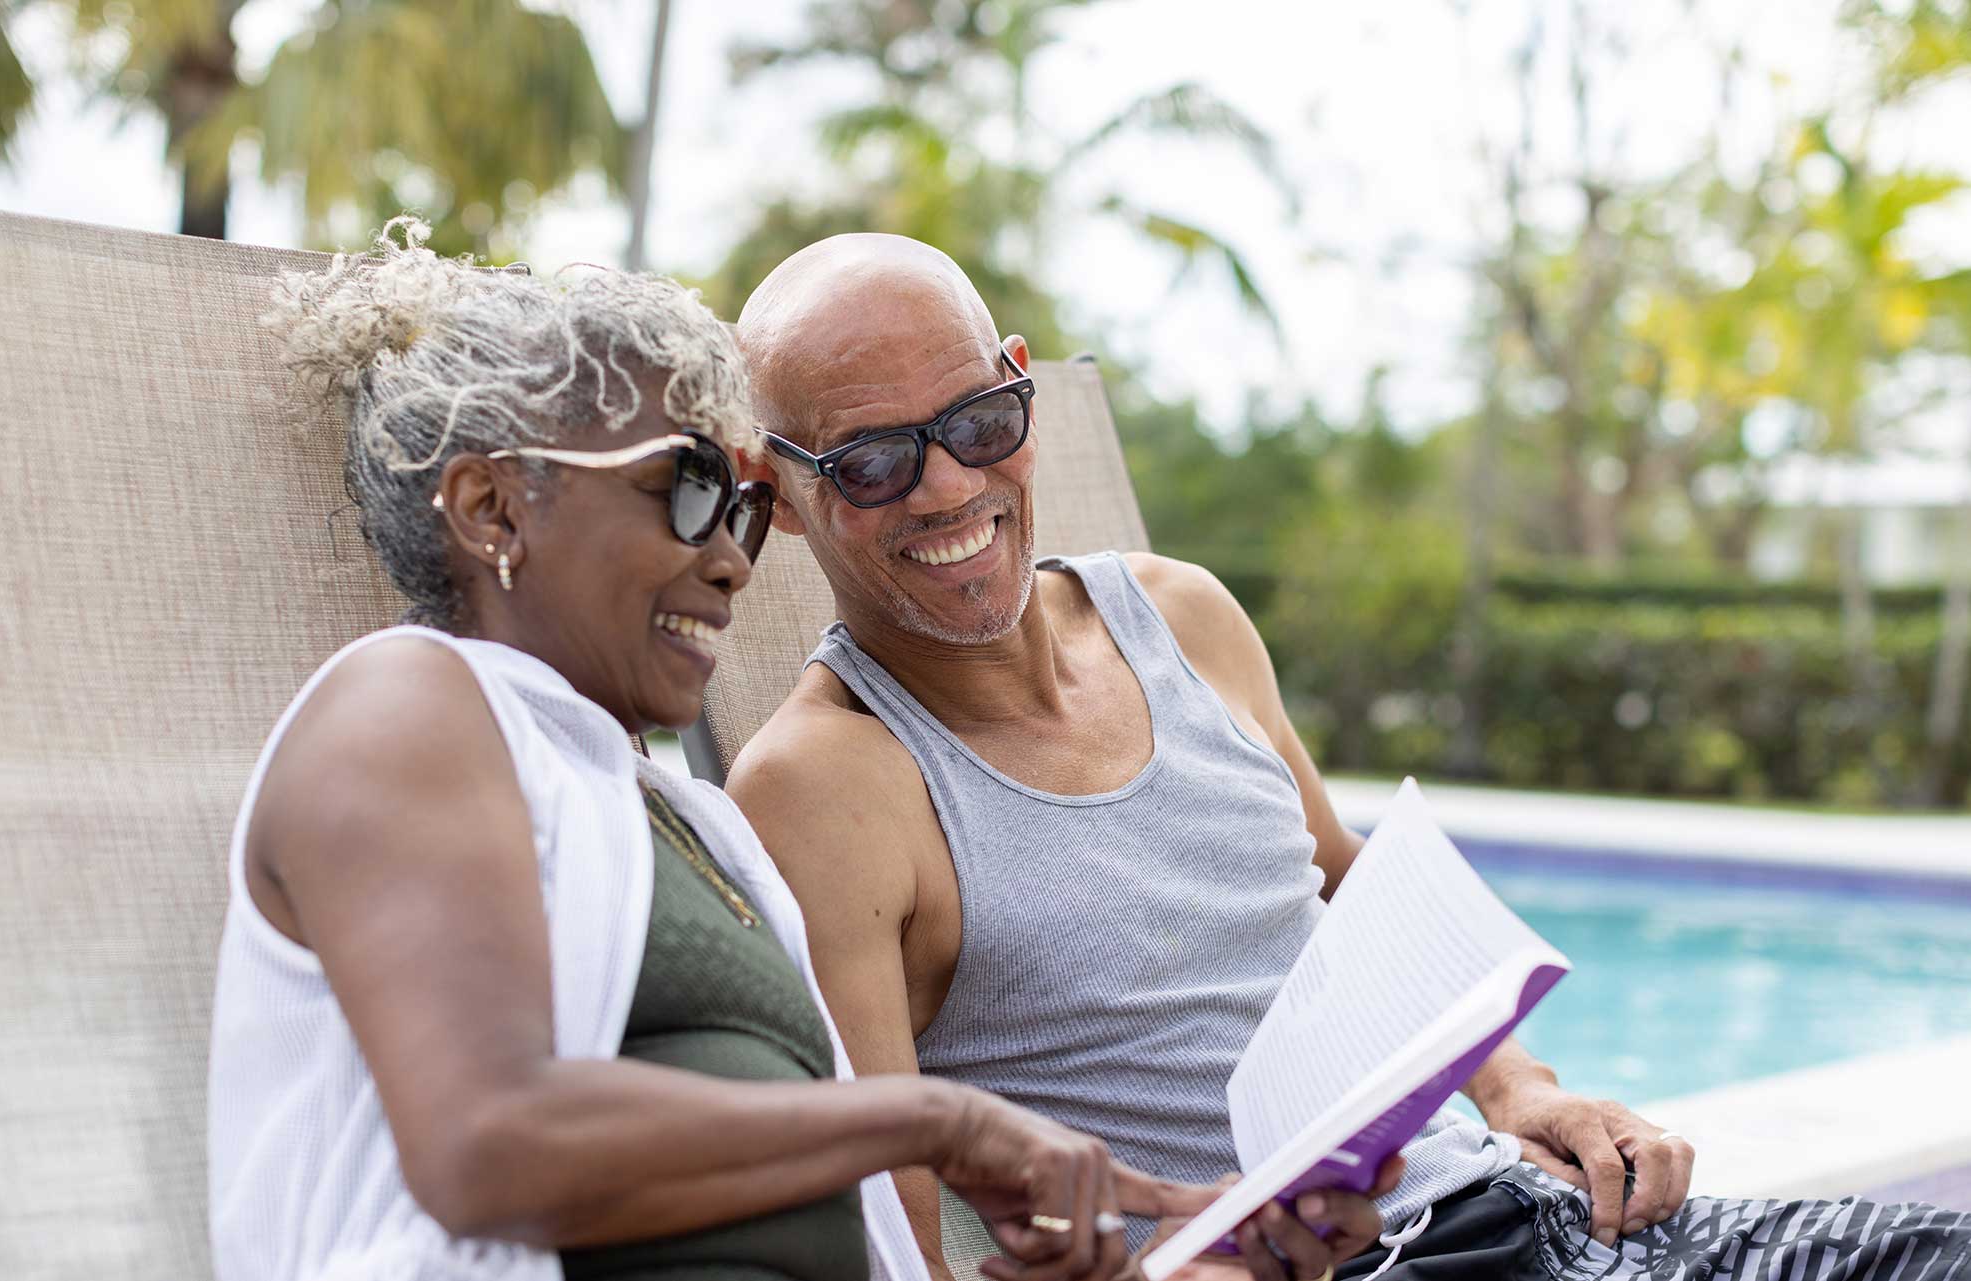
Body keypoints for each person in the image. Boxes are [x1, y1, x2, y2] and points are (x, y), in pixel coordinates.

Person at [725, 232, 1971, 1281]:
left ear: (1021, 390)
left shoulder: (1184, 616)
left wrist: (1521, 1088)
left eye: (978, 423)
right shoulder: (825, 788)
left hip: (1526, 1218)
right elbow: (884, 1237)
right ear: (777, 494)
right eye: (874, 462)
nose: (948, 490)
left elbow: (1343, 877)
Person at [206, 219, 1396, 1281]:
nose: (731, 557)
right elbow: (483, 1152)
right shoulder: (409, 704)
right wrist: (938, 1128)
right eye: (684, 493)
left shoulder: (678, 817)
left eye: (741, 507)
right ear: (491, 511)